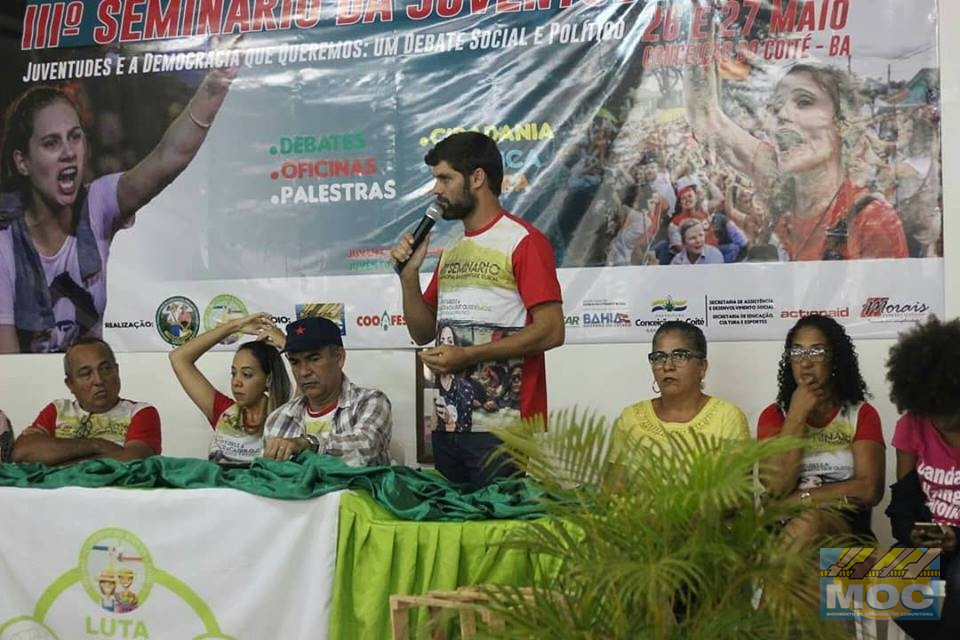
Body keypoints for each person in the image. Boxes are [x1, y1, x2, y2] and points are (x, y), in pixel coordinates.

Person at [0, 56, 237, 353]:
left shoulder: (96, 204)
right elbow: (7, 371)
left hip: (93, 385)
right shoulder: (5, 245)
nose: (68, 152)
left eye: (75, 137)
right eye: (51, 143)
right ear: (22, 162)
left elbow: (168, 157)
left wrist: (216, 84)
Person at [390, 131, 564, 488]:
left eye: (445, 178)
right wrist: (409, 279)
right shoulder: (453, 248)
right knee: (457, 533)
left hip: (505, 426)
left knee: (495, 533)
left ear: (478, 178)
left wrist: (468, 355)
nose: (436, 190)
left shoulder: (523, 241)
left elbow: (551, 330)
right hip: (450, 422)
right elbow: (423, 332)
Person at [686, 51, 909, 261]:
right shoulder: (776, 180)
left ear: (841, 123)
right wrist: (700, 19)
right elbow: (706, 118)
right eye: (777, 106)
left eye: (804, 102)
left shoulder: (873, 221)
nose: (782, 114)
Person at [757, 315, 884, 544]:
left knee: (808, 524)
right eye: (797, 352)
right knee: (805, 547)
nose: (805, 362)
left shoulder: (861, 414)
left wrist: (799, 500)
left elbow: (869, 489)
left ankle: (774, 579)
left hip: (844, 523)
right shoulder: (774, 415)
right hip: (784, 524)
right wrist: (796, 415)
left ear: (834, 359)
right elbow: (777, 486)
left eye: (816, 351)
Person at [886, 316, 960, 639]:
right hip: (930, 543)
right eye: (932, 409)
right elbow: (904, 503)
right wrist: (913, 532)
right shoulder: (911, 426)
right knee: (885, 578)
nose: (941, 419)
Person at [262, 316, 392, 467]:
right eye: (295, 362)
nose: (303, 372)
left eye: (314, 359)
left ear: (339, 358)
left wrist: (308, 444)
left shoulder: (370, 402)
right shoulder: (278, 419)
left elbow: (366, 445)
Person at [609, 321, 748, 460]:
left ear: (702, 366)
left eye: (679, 356)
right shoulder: (630, 419)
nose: (667, 366)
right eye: (659, 357)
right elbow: (615, 482)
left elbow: (734, 480)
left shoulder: (726, 417)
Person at [11, 337, 161, 465]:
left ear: (117, 371)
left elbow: (133, 460)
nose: (98, 380)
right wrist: (98, 445)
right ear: (70, 384)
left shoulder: (140, 412)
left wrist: (56, 459)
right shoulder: (57, 410)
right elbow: (22, 453)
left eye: (105, 369)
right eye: (85, 374)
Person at [169, 312, 292, 465]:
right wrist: (235, 326)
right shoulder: (224, 412)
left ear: (268, 379)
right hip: (220, 488)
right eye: (234, 373)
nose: (236, 382)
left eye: (247, 374)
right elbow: (179, 358)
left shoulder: (289, 417)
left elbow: (306, 374)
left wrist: (287, 345)